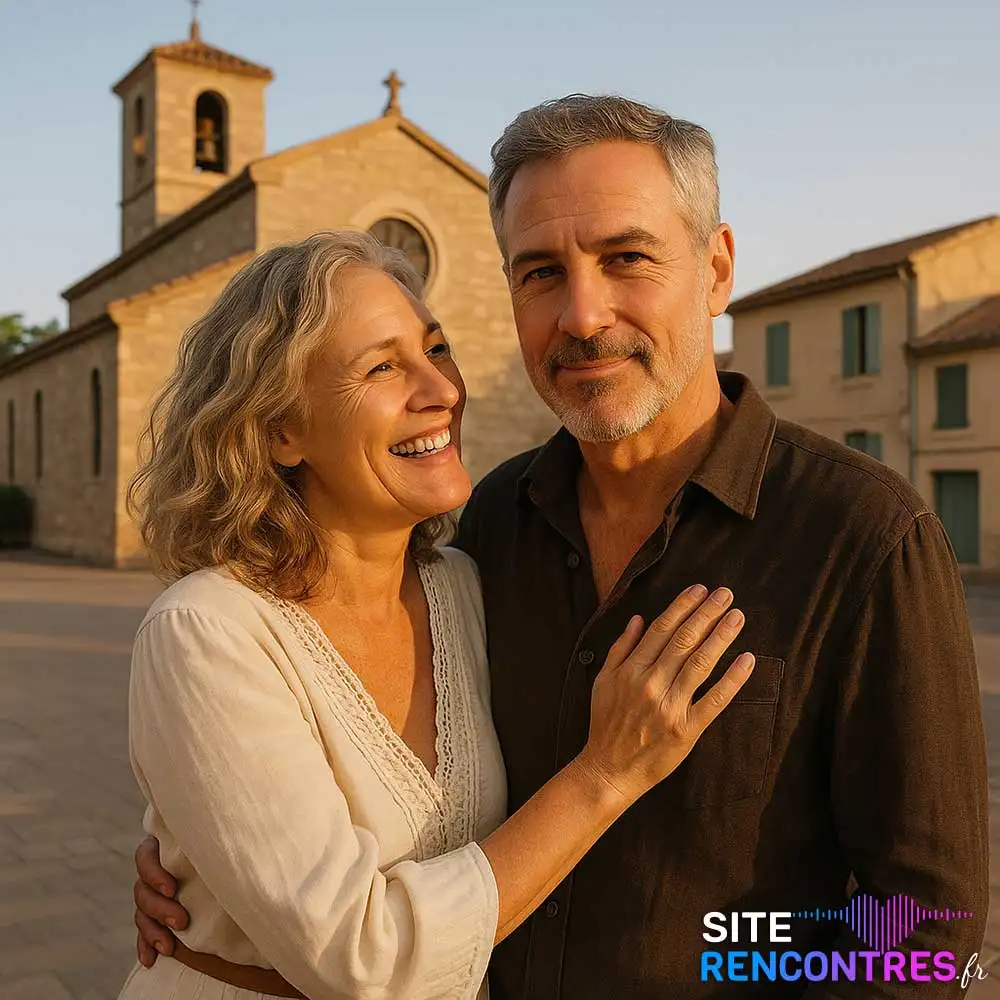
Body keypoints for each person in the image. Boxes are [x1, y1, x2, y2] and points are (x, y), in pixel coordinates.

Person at [133, 97, 989, 997]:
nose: (582, 315)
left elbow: (924, 922)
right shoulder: (491, 530)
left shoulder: (864, 537)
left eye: (627, 258)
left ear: (715, 270)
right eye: (541, 272)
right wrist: (210, 881)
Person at [117, 228, 754, 1000]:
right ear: (281, 428)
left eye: (437, 349)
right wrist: (606, 773)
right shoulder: (208, 631)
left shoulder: (465, 586)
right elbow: (364, 958)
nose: (442, 391)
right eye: (382, 366)